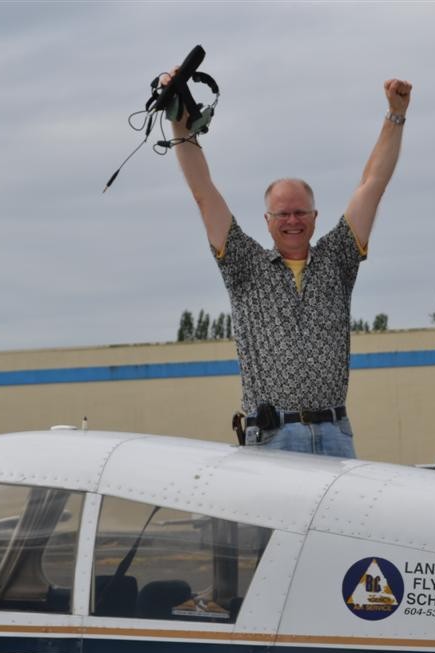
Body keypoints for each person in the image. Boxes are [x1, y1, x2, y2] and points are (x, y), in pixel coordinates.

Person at [164, 69, 412, 457]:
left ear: (315, 216)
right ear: (267, 221)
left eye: (300, 212)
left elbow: (372, 184)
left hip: (334, 433)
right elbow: (204, 193)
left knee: (340, 522)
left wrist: (395, 115)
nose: (292, 221)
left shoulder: (338, 259)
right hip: (273, 438)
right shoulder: (245, 266)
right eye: (282, 214)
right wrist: (180, 122)